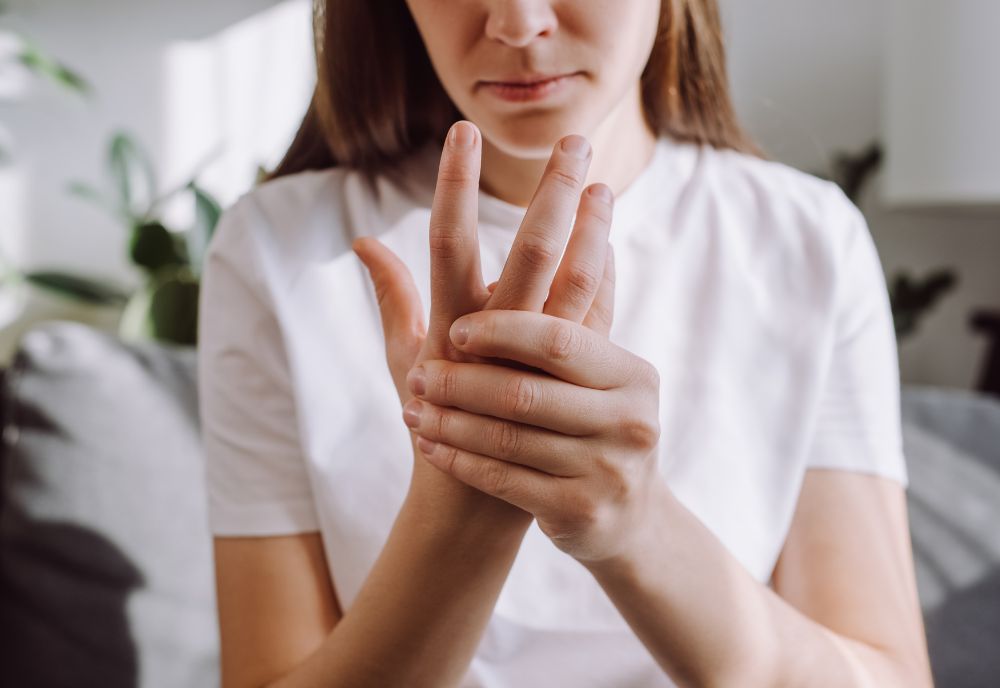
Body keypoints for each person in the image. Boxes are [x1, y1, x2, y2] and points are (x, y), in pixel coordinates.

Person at [197, 1, 934, 686]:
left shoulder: (807, 242)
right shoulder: (277, 249)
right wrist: (461, 513)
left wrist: (634, 522)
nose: (517, 24)